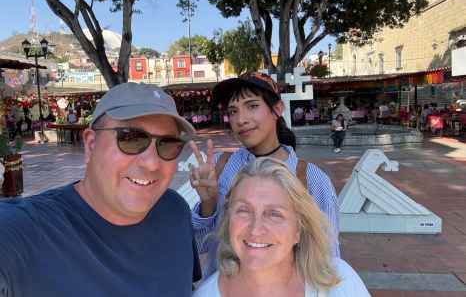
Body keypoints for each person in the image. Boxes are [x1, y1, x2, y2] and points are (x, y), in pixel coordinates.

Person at [0, 82, 201, 297]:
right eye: (131, 138)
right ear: (91, 144)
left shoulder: (174, 210)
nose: (151, 163)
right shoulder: (23, 231)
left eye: (168, 143)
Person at [190, 72, 339, 278]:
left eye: (252, 106)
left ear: (277, 109)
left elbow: (328, 257)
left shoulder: (312, 180)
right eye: (233, 111)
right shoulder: (218, 168)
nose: (240, 119)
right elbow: (200, 247)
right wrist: (208, 203)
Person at [193, 157, 370, 297]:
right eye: (244, 210)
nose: (256, 230)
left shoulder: (339, 281)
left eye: (274, 214)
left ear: (299, 230)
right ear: (228, 221)